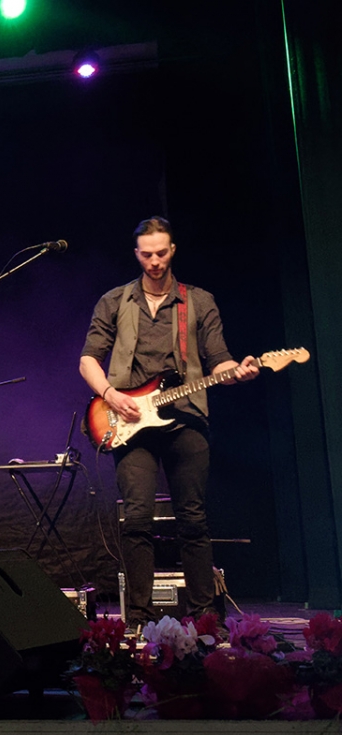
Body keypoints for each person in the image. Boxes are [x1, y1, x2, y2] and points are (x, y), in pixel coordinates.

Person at [79, 216, 259, 626]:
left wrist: (238, 370)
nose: (155, 261)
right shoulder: (114, 301)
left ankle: (204, 619)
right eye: (147, 255)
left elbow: (218, 359)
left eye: (161, 253)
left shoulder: (198, 301)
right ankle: (139, 619)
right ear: (136, 254)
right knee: (137, 519)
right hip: (129, 420)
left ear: (173, 250)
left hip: (186, 418)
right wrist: (111, 395)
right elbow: (88, 359)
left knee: (193, 520)